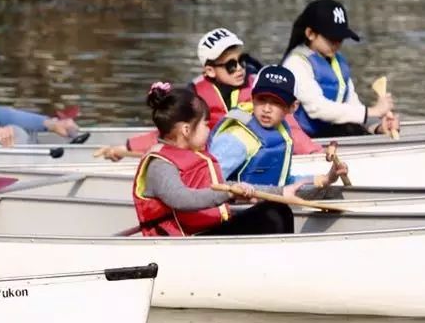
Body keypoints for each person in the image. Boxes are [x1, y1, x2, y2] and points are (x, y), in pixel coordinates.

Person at [95, 27, 319, 160]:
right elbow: (169, 132)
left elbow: (290, 125)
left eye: (242, 60)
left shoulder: (260, 88)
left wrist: (313, 152)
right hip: (215, 160)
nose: (240, 68)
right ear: (210, 70)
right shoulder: (195, 96)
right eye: (230, 65)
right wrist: (126, 148)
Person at [131, 82, 294, 237]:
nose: (209, 130)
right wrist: (229, 194)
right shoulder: (160, 165)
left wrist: (281, 192)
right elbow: (182, 199)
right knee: (273, 216)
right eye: (205, 125)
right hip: (183, 243)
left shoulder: (195, 155)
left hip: (206, 233)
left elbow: (223, 186)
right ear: (186, 130)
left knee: (278, 209)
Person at [209, 65, 348, 192]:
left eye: (276, 103)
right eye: (262, 100)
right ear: (252, 99)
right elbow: (208, 183)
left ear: (292, 107)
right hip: (241, 213)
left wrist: (327, 178)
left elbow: (284, 182)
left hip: (266, 208)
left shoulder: (281, 133)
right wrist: (236, 189)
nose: (267, 109)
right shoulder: (236, 138)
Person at [281, 0, 398, 138]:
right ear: (310, 34)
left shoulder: (337, 61)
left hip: (331, 135)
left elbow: (353, 105)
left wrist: (378, 126)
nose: (337, 43)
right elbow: (317, 109)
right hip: (305, 140)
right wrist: (372, 111)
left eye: (340, 38)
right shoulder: (295, 64)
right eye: (331, 38)